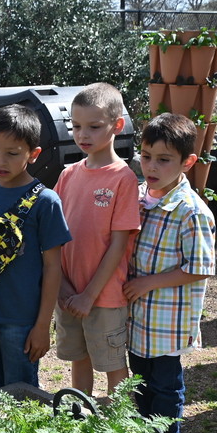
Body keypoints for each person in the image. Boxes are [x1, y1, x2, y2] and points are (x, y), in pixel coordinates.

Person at [125, 113, 215, 433]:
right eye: (146, 157)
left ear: (187, 162)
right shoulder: (137, 197)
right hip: (137, 321)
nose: (151, 167)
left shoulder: (191, 212)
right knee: (141, 383)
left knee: (165, 387)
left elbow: (200, 267)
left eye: (164, 160)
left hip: (166, 324)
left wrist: (148, 282)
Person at [0, 105, 70, 390]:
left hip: (21, 321)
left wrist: (42, 326)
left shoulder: (46, 202)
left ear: (33, 154)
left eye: (12, 153)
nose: (0, 160)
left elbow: (53, 267)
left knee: (21, 396)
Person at [53, 83, 140, 397]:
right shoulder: (67, 175)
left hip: (103, 297)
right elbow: (55, 237)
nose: (82, 134)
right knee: (79, 356)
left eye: (94, 126)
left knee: (113, 362)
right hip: (68, 293)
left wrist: (89, 295)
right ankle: (82, 417)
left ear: (117, 125)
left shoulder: (123, 178)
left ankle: (118, 426)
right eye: (76, 126)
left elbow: (118, 245)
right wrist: (62, 287)